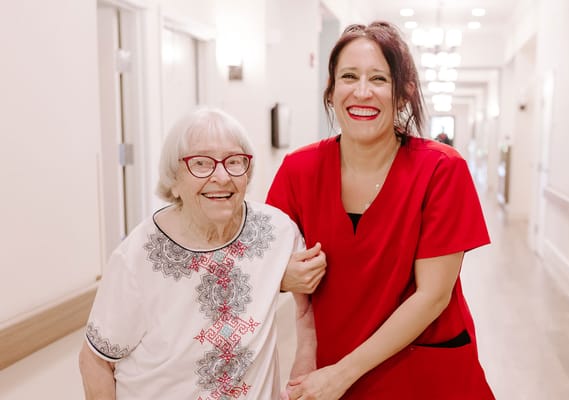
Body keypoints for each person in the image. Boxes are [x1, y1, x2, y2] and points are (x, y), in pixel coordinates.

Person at [267, 21, 495, 399]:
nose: (362, 92)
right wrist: (306, 342)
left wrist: (341, 374)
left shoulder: (441, 169)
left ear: (403, 93)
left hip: (424, 373)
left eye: (379, 79)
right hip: (332, 371)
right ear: (331, 90)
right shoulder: (299, 170)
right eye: (349, 76)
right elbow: (272, 266)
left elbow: (433, 296)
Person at [78, 107, 325, 399]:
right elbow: (95, 360)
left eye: (234, 162)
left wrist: (303, 365)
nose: (221, 177)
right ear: (174, 179)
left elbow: (309, 307)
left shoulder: (275, 232)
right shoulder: (138, 257)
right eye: (201, 163)